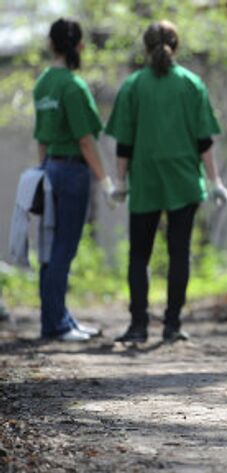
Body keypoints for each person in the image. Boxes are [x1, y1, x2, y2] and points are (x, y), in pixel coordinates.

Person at [105, 20, 227, 344]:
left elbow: (125, 144)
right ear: (175, 46)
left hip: (146, 179)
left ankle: (137, 326)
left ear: (145, 47)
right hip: (183, 181)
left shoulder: (133, 85)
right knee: (179, 253)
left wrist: (119, 182)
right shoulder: (191, 84)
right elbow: (204, 140)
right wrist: (215, 181)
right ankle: (172, 325)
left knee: (139, 255)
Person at [33, 18, 116, 342]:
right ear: (78, 46)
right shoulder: (72, 85)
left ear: (52, 45)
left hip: (49, 169)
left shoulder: (42, 84)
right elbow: (86, 140)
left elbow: (40, 137)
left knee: (49, 249)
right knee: (64, 249)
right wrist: (106, 181)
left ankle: (56, 318)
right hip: (72, 172)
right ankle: (58, 324)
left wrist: (42, 172)